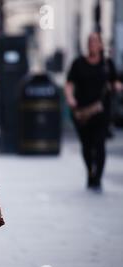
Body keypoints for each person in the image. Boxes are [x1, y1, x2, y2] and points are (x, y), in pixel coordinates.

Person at [65, 32, 122, 192]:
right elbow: (69, 83)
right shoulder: (78, 63)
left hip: (102, 111)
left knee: (100, 143)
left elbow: (115, 81)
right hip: (82, 112)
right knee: (87, 145)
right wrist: (70, 98)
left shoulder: (106, 64)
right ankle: (90, 171)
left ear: (100, 45)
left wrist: (116, 86)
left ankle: (97, 178)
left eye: (95, 42)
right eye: (90, 42)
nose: (92, 45)